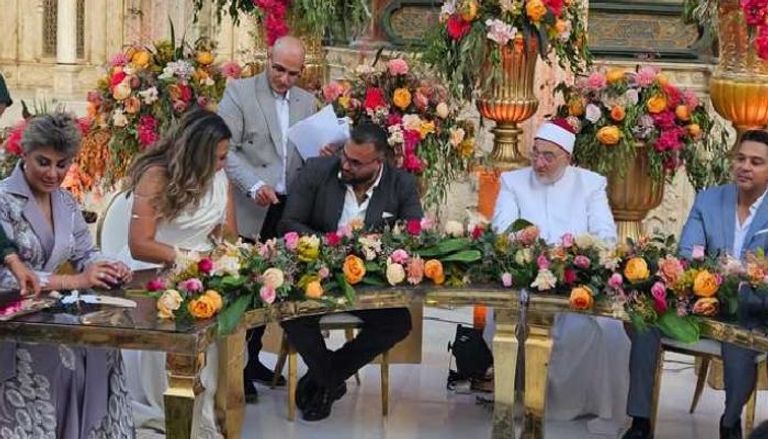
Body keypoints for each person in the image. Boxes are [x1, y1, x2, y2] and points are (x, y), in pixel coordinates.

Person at [623, 129, 768, 439]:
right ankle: (639, 421)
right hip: (700, 298)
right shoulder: (709, 199)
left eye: (756, 162)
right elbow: (688, 254)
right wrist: (719, 277)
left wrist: (744, 278)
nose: (745, 167)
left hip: (753, 308)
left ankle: (729, 422)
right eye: (741, 159)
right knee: (644, 318)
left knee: (740, 338)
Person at [0, 112, 134, 438]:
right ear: (24, 153)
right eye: (43, 162)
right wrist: (73, 281)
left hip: (56, 316)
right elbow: (5, 278)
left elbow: (85, 254)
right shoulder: (3, 199)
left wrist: (109, 267)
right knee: (60, 359)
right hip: (13, 323)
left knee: (103, 347)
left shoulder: (66, 202)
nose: (53, 173)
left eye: (62, 165)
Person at [278, 122, 422, 421]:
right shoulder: (317, 170)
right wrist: (332, 246)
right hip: (318, 273)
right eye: (344, 155)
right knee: (291, 314)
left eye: (356, 163)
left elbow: (414, 236)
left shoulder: (401, 185)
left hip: (370, 281)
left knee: (397, 323)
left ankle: (324, 377)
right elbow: (288, 223)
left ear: (378, 162)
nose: (345, 164)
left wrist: (374, 251)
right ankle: (329, 382)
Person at [491, 118, 627, 432]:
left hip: (575, 283)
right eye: (535, 153)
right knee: (507, 323)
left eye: (548, 156)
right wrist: (526, 244)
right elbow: (502, 231)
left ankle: (580, 405)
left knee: (605, 330)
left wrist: (576, 255)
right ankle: (520, 398)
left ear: (568, 157)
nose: (539, 163)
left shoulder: (591, 184)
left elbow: (605, 236)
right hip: (525, 281)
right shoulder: (513, 182)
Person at [117, 109, 235, 438]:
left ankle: (199, 416)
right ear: (197, 155)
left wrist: (225, 255)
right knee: (162, 353)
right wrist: (190, 259)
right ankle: (161, 417)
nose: (223, 164)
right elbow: (139, 244)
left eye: (226, 156)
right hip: (153, 273)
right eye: (218, 157)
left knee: (206, 338)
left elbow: (228, 233)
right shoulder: (156, 176)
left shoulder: (221, 178)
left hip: (203, 275)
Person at [218, 35, 317, 397]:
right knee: (244, 288)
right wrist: (253, 184)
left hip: (290, 208)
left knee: (273, 287)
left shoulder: (307, 101)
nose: (284, 79)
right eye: (278, 70)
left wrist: (324, 152)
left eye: (293, 73)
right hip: (249, 205)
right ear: (267, 59)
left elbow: (309, 153)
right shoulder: (239, 92)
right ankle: (236, 368)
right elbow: (223, 149)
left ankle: (254, 358)